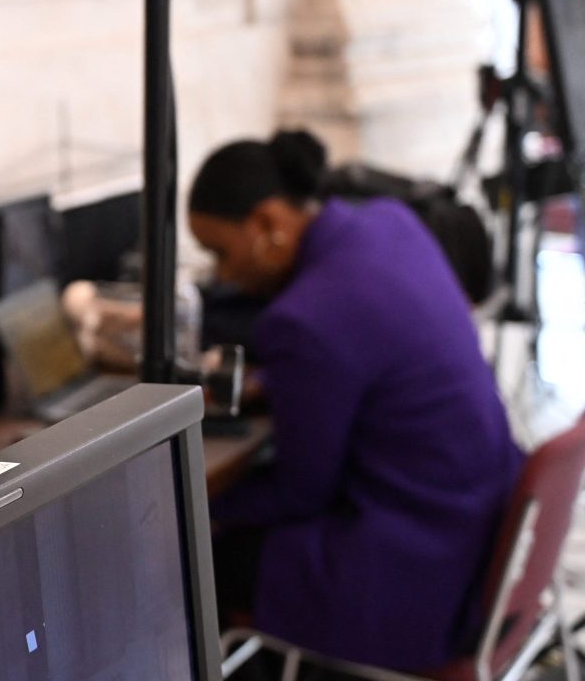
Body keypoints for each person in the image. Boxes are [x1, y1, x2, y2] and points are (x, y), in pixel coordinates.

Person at [190, 130, 522, 673]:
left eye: (219, 253)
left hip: (416, 574)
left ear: (269, 223)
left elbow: (301, 493)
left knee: (196, 558)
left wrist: (200, 508)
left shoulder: (302, 320)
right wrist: (273, 384)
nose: (221, 276)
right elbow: (377, 353)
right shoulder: (391, 223)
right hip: (480, 528)